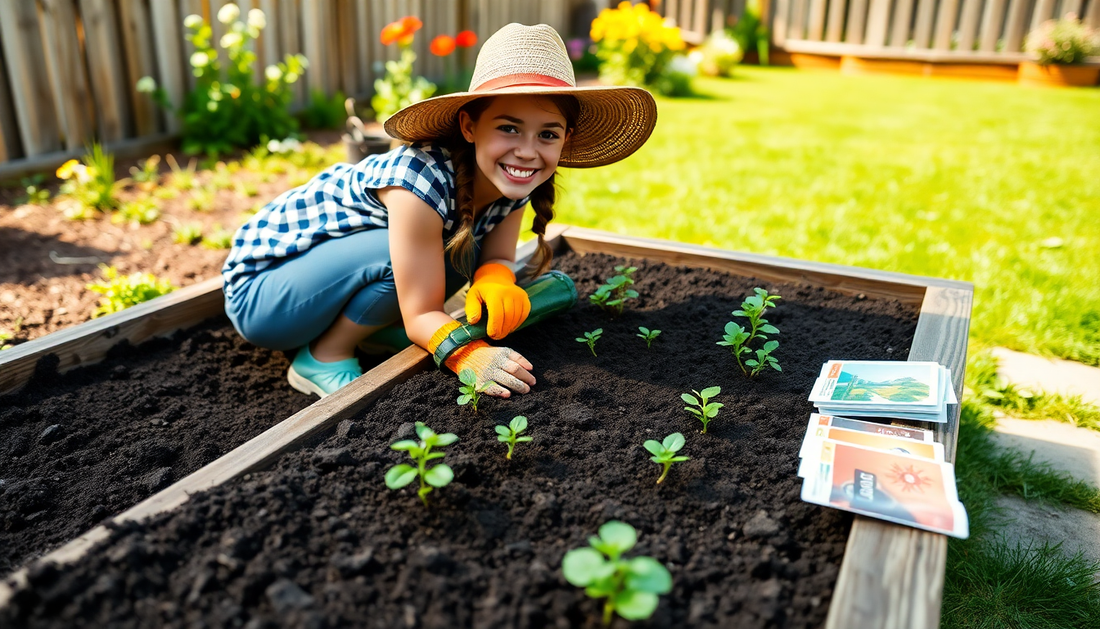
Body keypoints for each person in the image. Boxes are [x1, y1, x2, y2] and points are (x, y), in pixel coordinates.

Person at [221, 23, 657, 398]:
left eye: (548, 134)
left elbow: (497, 255)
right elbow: (422, 312)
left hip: (324, 283)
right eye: (509, 128)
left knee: (458, 253)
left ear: (566, 138)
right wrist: (467, 354)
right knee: (424, 255)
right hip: (266, 297)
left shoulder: (513, 180)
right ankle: (323, 356)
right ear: (469, 126)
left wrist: (496, 278)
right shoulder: (419, 179)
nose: (527, 151)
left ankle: (370, 330)